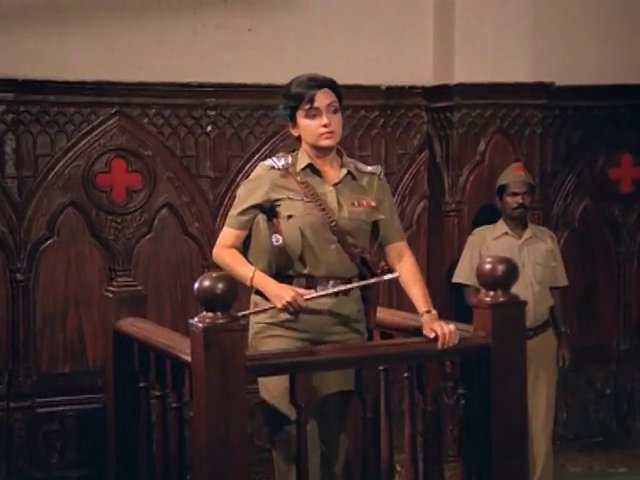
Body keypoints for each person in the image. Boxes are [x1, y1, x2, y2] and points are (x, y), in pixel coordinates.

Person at [212, 73, 459, 480]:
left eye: (334, 110)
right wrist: (270, 287)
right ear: (294, 126)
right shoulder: (270, 177)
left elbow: (398, 252)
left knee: (333, 434)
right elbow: (223, 250)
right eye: (312, 114)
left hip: (342, 318)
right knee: (288, 432)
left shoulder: (369, 180)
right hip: (281, 318)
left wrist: (428, 314)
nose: (326, 121)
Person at [451, 162, 571, 480]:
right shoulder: (482, 240)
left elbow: (555, 291)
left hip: (541, 338)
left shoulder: (546, 240)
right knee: (503, 419)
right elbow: (467, 291)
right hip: (501, 345)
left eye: (526, 195)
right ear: (500, 199)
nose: (520, 201)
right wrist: (491, 318)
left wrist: (563, 336)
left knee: (541, 422)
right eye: (513, 195)